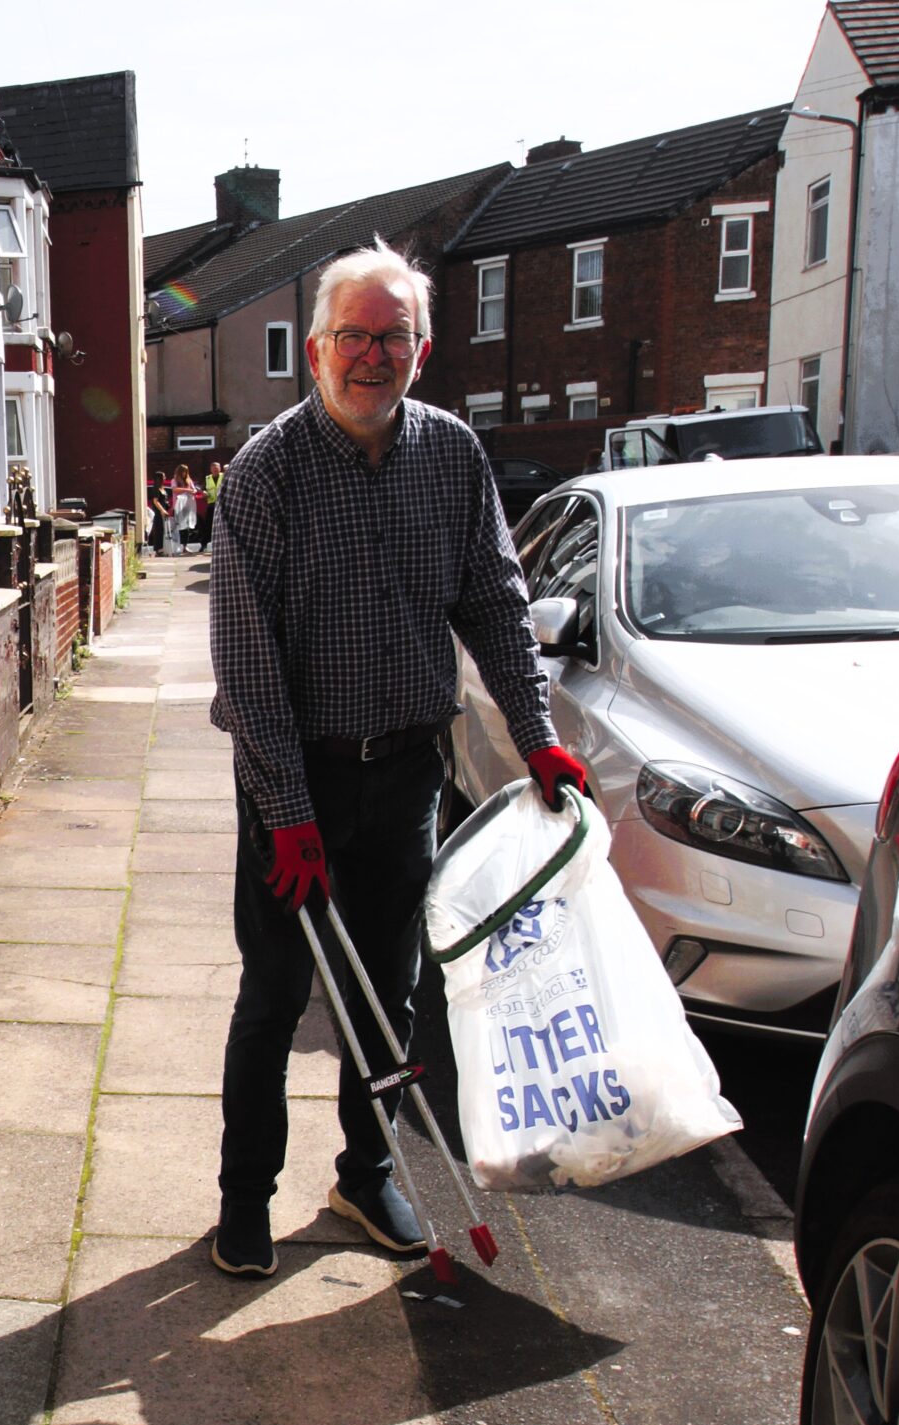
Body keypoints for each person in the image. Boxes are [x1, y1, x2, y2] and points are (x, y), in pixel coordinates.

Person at [204, 239, 588, 1277]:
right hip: (295, 778)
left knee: (391, 981)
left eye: (394, 337)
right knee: (278, 991)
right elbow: (245, 662)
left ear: (422, 347)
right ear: (318, 348)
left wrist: (537, 733)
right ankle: (245, 1198)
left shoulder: (452, 457)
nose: (371, 355)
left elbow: (497, 606)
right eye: (352, 336)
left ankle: (365, 1172)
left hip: (407, 772)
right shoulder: (267, 474)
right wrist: (287, 812)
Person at [170, 468, 201, 557]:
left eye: (186, 472)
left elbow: (194, 489)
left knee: (187, 526)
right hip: (179, 506)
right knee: (180, 526)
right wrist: (187, 490)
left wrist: (194, 491)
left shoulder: (189, 480)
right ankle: (178, 546)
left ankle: (185, 546)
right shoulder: (174, 480)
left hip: (188, 505)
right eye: (183, 471)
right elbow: (175, 490)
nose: (184, 473)